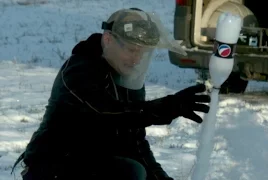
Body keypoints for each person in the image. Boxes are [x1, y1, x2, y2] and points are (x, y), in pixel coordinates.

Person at [12, 8, 210, 180]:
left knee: (135, 169)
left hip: (95, 162)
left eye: (142, 52)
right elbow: (108, 113)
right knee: (128, 172)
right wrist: (164, 108)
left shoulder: (127, 77)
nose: (136, 59)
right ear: (108, 40)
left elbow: (136, 143)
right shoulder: (80, 70)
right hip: (53, 166)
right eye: (132, 50)